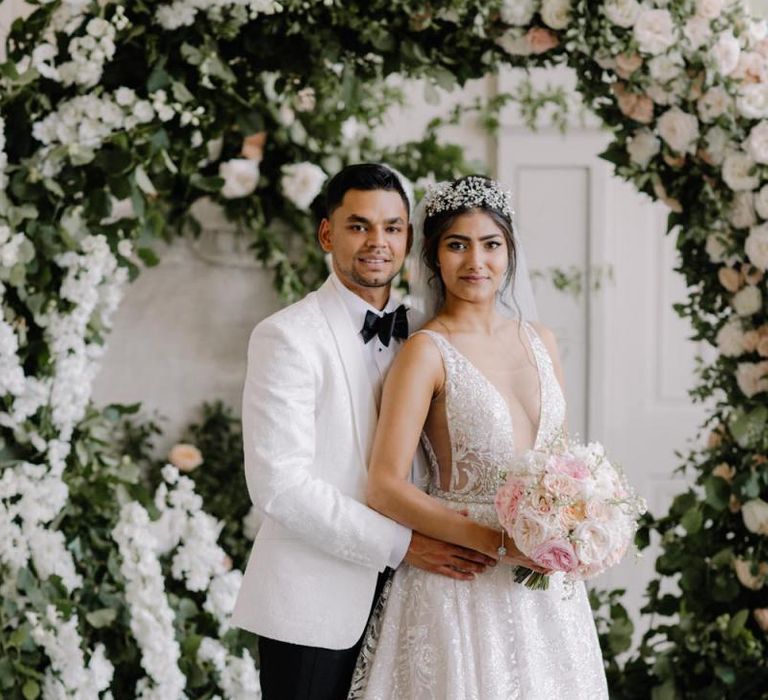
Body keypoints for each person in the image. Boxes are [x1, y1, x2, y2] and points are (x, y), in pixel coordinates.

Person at [231, 164, 498, 700]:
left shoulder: (429, 332)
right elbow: (279, 486)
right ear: (327, 233)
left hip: (422, 602)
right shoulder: (287, 336)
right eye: (359, 226)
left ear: (409, 238)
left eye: (393, 228)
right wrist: (404, 546)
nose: (378, 242)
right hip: (316, 603)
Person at [348, 175, 609, 699]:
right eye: (457, 245)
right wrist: (500, 542)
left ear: (509, 252)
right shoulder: (426, 352)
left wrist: (580, 522)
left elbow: (557, 465)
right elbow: (383, 486)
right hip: (460, 581)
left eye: (490, 244)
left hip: (545, 591)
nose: (475, 262)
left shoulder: (542, 341)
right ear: (434, 256)